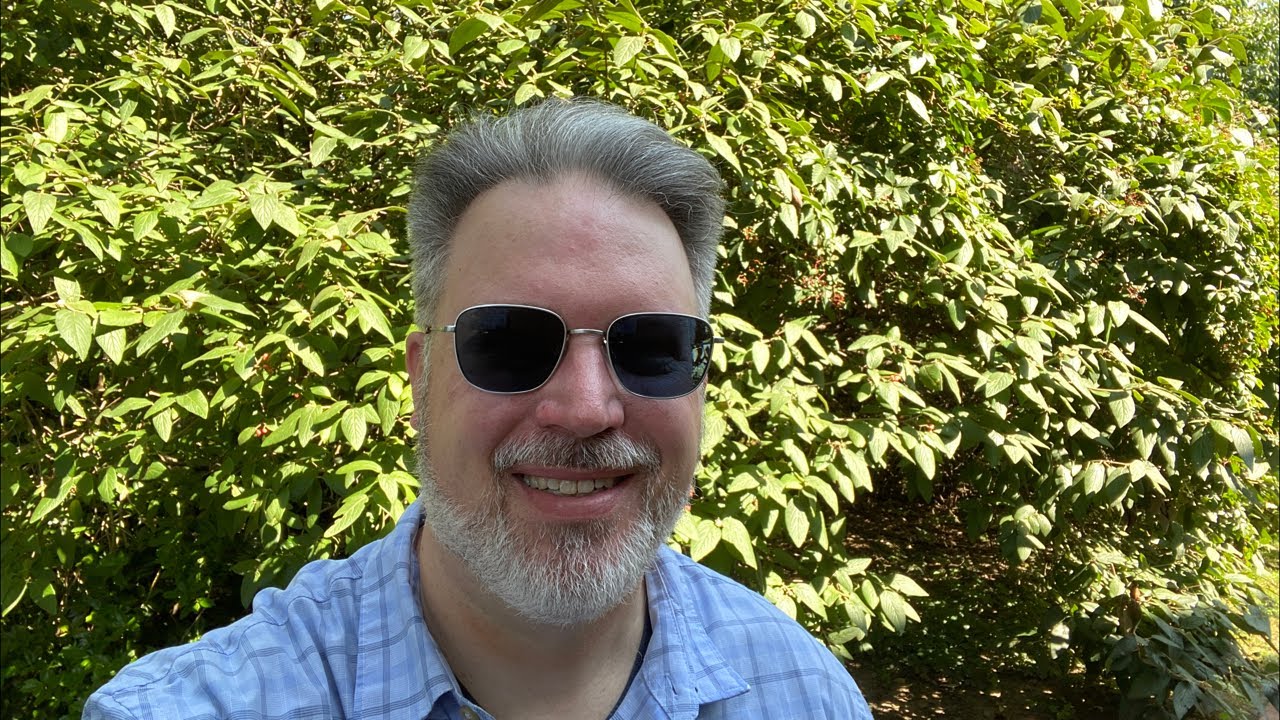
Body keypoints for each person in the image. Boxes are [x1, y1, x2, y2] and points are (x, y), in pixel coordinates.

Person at [84, 98, 874, 720]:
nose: (586, 408)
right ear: (420, 379)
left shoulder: (805, 693)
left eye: (652, 346)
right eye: (508, 341)